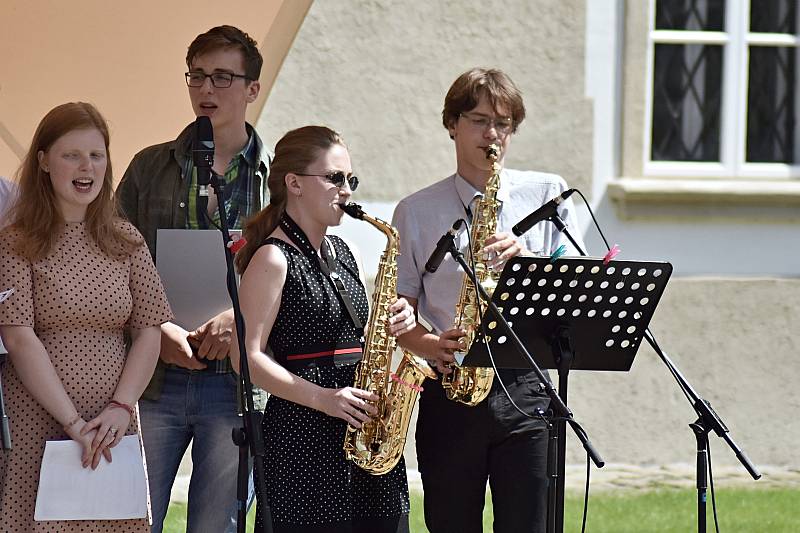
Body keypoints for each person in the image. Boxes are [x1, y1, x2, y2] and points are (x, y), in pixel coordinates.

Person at [392, 68, 585, 533]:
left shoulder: (548, 195)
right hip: (450, 384)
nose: (492, 134)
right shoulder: (416, 210)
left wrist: (531, 259)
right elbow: (397, 308)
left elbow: (581, 286)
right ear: (452, 125)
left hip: (527, 387)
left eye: (503, 124)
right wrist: (427, 344)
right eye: (479, 120)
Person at [117, 25, 270, 532]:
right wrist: (157, 330)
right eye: (197, 76)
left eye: (223, 77)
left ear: (252, 89)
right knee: (133, 519)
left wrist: (239, 317)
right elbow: (114, 260)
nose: (206, 89)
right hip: (153, 377)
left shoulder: (278, 177)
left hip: (236, 382)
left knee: (216, 525)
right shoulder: (148, 167)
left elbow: (296, 271)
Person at [231, 125, 415, 533]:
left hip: (364, 428)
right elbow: (245, 357)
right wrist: (324, 398)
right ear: (293, 183)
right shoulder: (273, 259)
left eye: (351, 179)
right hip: (303, 436)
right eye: (334, 178)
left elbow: (356, 336)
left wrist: (400, 320)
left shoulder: (344, 252)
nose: (346, 190)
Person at [0, 102, 172, 531]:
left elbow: (150, 329)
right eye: (71, 154)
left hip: (113, 424)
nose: (86, 167)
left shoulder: (126, 240)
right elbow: (19, 338)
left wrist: (120, 407)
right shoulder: (14, 242)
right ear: (43, 161)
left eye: (96, 155)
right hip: (37, 420)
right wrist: (72, 423)